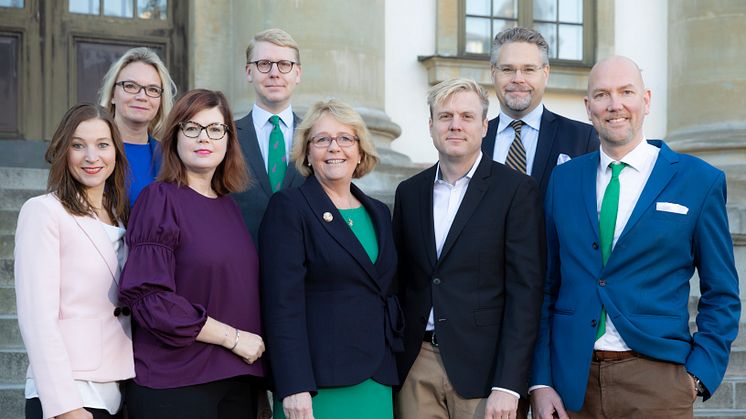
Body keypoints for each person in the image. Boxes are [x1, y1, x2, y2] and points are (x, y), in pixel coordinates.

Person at [530, 56, 741, 419]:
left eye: (626, 92)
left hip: (658, 381)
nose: (615, 105)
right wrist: (542, 381)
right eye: (602, 95)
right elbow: (547, 287)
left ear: (645, 100)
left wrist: (698, 376)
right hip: (571, 387)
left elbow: (721, 292)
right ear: (588, 107)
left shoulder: (698, 181)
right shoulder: (562, 181)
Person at [394, 78, 545, 419]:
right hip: (416, 367)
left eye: (466, 116)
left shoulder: (516, 191)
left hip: (485, 372)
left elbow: (526, 293)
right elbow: (402, 281)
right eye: (445, 116)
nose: (455, 125)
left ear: (484, 126)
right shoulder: (409, 192)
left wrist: (509, 384)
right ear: (431, 125)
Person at [117, 89, 266, 419]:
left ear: (228, 139)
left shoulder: (230, 207)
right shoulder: (159, 199)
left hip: (237, 379)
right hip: (176, 381)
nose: (204, 138)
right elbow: (150, 298)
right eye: (192, 128)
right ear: (174, 137)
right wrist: (233, 338)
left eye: (215, 129)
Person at [260, 99, 402, 419]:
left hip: (376, 378)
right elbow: (282, 304)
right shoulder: (290, 208)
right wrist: (293, 385)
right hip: (317, 385)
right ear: (308, 152)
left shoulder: (378, 212)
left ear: (360, 150)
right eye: (322, 139)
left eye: (345, 138)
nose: (334, 147)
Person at [15, 103, 133, 418]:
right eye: (78, 145)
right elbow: (37, 318)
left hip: (117, 389)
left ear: (116, 153)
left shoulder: (124, 215)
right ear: (64, 152)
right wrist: (67, 407)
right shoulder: (43, 211)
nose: (91, 157)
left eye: (102, 145)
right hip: (69, 394)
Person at [482, 27, 598, 198]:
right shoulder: (474, 139)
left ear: (545, 73)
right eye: (507, 69)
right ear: (493, 73)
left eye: (528, 69)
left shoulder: (583, 139)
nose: (518, 79)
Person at [234, 28, 305, 242]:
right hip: (242, 264)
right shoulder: (226, 137)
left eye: (284, 64)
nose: (275, 73)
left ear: (297, 73)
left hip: (302, 267)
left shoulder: (314, 138)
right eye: (264, 64)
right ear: (249, 72)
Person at [98, 47, 176, 204]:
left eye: (152, 89)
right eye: (130, 86)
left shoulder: (171, 157)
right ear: (113, 94)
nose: (142, 96)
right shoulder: (90, 150)